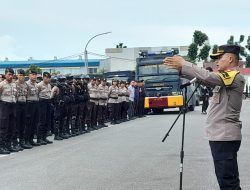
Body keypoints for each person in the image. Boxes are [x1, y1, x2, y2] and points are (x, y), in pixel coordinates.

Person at [164, 44, 244, 190]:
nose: (217, 62)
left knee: (228, 183)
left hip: (225, 137)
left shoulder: (234, 76)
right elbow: (206, 79)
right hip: (220, 136)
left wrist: (185, 64)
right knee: (225, 181)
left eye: (220, 58)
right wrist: (182, 69)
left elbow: (207, 76)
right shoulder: (223, 80)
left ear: (231, 58)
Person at [0, 68, 17, 154]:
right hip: (4, 105)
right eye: (9, 74)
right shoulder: (2, 84)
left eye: (12, 75)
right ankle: (1, 146)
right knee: (3, 127)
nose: (10, 76)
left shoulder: (14, 84)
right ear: (5, 74)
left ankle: (8, 145)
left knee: (11, 126)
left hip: (13, 105)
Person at [37, 72, 53, 145]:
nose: (47, 79)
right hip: (42, 102)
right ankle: (39, 138)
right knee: (41, 121)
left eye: (48, 78)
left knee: (47, 120)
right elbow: (37, 95)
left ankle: (44, 137)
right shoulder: (39, 85)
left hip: (48, 102)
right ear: (43, 77)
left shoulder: (49, 85)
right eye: (46, 77)